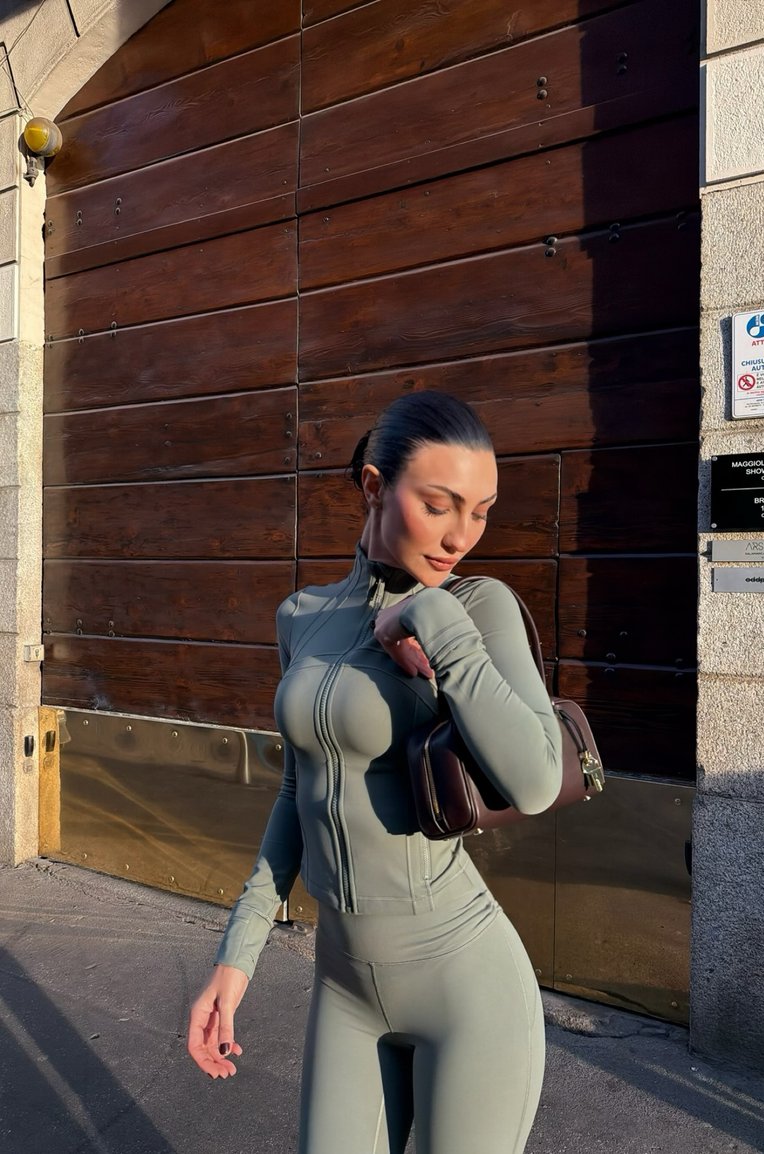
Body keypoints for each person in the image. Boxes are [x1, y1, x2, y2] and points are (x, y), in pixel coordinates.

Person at [187, 391, 562, 1154]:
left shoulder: (477, 607)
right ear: (373, 487)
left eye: (481, 512)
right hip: (344, 986)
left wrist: (430, 616)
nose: (461, 536)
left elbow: (536, 781)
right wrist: (237, 954)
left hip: (467, 984)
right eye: (438, 505)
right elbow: (298, 790)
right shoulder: (302, 616)